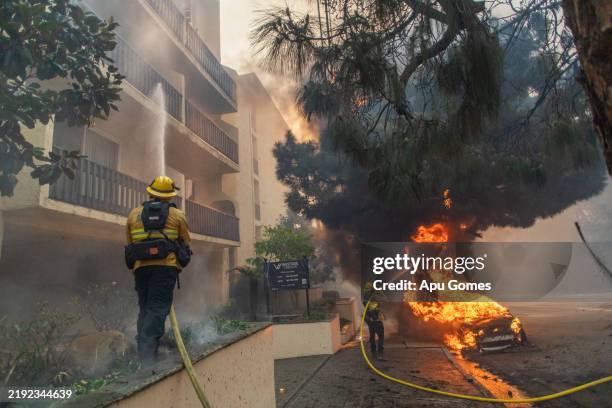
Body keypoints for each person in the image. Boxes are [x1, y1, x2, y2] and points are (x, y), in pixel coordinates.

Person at [125, 176, 191, 365]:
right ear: (170, 196)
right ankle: (148, 357)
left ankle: (143, 350)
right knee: (158, 308)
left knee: (145, 309)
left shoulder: (133, 214)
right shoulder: (177, 215)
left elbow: (130, 243)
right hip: (165, 268)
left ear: (150, 192)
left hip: (141, 269)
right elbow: (186, 241)